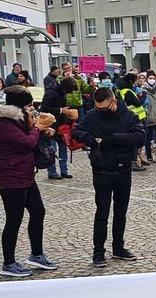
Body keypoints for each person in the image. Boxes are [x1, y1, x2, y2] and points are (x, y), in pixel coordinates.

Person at [0, 86, 57, 277]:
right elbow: (25, 143)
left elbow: (29, 136)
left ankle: (36, 254)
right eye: (29, 104)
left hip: (24, 173)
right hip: (9, 176)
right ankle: (8, 263)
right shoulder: (4, 122)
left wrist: (41, 130)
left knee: (38, 211)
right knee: (14, 219)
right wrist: (38, 129)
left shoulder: (17, 117)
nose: (31, 108)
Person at [72, 88, 147, 268]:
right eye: (98, 108)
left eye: (105, 108)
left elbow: (140, 137)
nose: (101, 111)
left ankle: (118, 247)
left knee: (120, 211)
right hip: (101, 169)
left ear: (113, 101)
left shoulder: (128, 116)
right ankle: (98, 252)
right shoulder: (92, 115)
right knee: (102, 212)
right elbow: (77, 132)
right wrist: (91, 140)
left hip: (123, 169)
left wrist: (114, 139)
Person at [39, 77, 78, 179]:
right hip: (50, 124)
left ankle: (64, 170)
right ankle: (52, 171)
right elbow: (44, 108)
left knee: (63, 148)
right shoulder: (50, 92)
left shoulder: (61, 93)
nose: (69, 93)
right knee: (51, 149)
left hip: (62, 124)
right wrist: (61, 110)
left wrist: (68, 113)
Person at [118, 72, 148, 171]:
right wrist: (143, 95)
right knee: (137, 140)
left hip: (131, 117)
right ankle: (134, 161)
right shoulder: (128, 91)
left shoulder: (122, 91)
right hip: (136, 117)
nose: (137, 82)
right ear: (131, 81)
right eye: (136, 80)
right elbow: (138, 104)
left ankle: (136, 159)